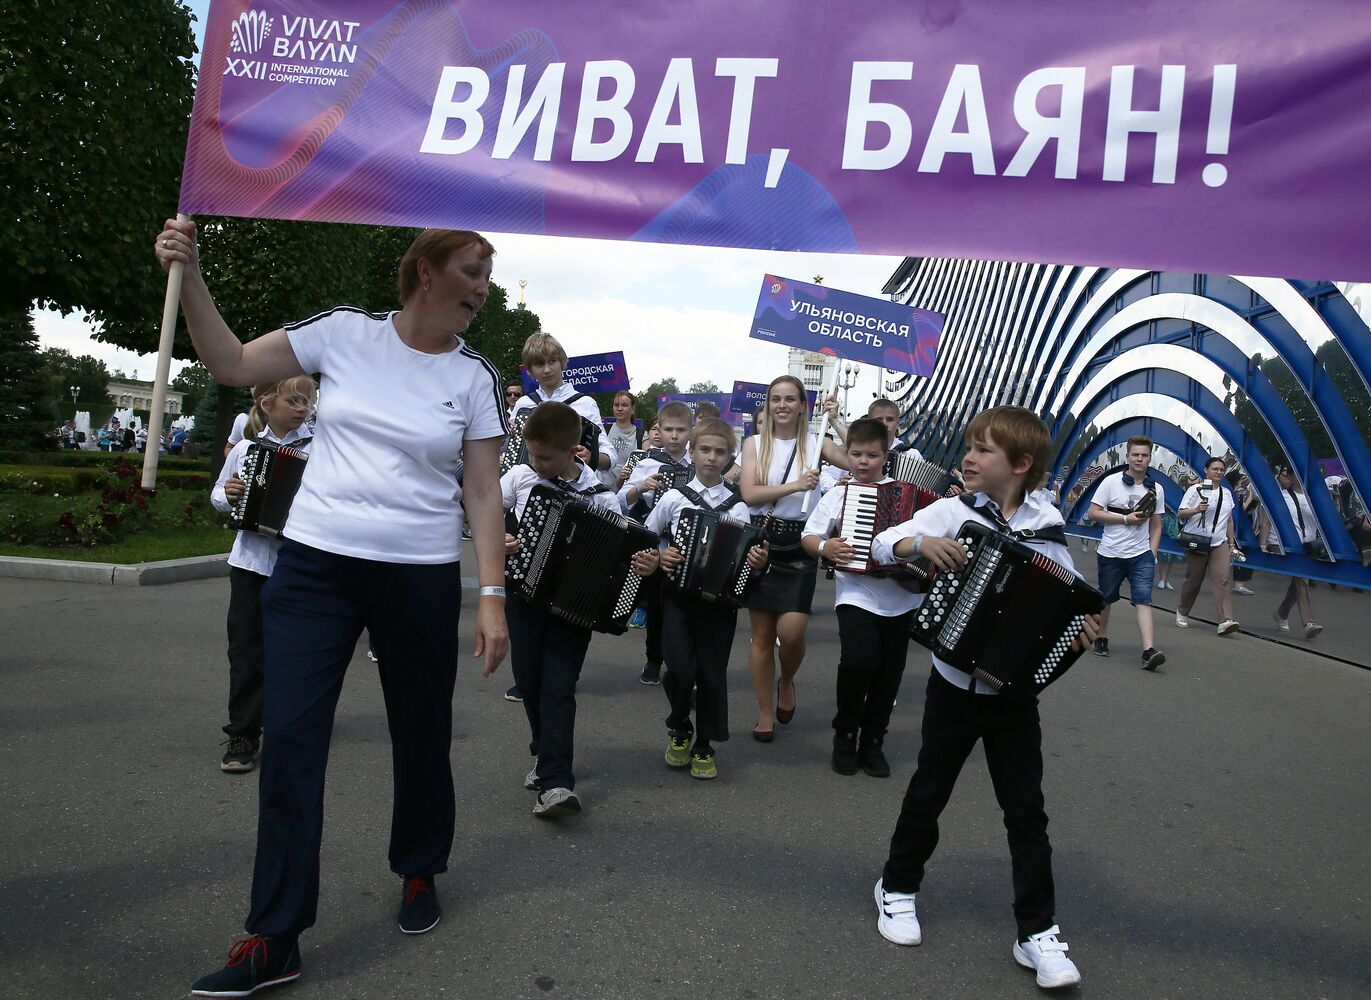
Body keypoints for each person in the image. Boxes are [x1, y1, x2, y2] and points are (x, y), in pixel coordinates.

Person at [157, 220, 510, 996]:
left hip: (416, 575)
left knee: (421, 733)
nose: (482, 289)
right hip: (314, 568)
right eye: (472, 271)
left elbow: (482, 492)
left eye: (486, 275)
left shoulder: (474, 377)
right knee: (288, 740)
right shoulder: (342, 333)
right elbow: (228, 362)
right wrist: (193, 276)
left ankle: (419, 867)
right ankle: (274, 934)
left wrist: (491, 596)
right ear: (424, 272)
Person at [870, 406, 1099, 991]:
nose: (968, 458)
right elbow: (883, 544)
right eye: (969, 447)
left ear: (1020, 465)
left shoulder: (1049, 531)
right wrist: (918, 543)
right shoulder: (952, 510)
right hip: (952, 681)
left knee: (1026, 812)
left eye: (982, 450)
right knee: (930, 790)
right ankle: (897, 887)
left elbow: (1065, 608)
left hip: (1012, 695)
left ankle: (1037, 930)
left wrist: (1080, 633)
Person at [501, 402, 658, 817]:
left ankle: (556, 782)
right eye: (532, 455)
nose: (535, 464)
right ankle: (544, 749)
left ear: (573, 451)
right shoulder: (519, 477)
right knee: (529, 681)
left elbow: (626, 553)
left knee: (558, 686)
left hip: (575, 609)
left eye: (545, 458)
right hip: (523, 595)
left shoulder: (602, 496)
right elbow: (480, 508)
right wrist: (500, 536)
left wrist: (644, 563)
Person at [646, 418, 768, 779]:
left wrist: (758, 563)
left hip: (719, 604)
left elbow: (748, 562)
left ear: (730, 456)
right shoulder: (673, 498)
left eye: (719, 452)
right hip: (678, 598)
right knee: (680, 669)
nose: (711, 458)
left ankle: (703, 744)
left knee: (712, 674)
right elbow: (647, 536)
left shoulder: (738, 506)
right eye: (705, 450)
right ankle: (679, 724)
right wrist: (660, 556)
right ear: (693, 452)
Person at [209, 377, 317, 773]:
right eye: (293, 400)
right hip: (250, 563)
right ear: (267, 404)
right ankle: (243, 731)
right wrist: (231, 495)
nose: (302, 407)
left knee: (298, 650)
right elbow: (219, 495)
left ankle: (292, 725)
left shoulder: (320, 450)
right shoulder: (246, 449)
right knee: (246, 650)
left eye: (307, 400)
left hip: (298, 563)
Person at [801, 417, 919, 777]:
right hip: (856, 593)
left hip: (902, 597)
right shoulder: (839, 493)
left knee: (889, 672)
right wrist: (826, 546)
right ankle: (845, 733)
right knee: (858, 662)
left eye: (871, 455)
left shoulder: (910, 493)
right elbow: (809, 537)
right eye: (856, 454)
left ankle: (874, 740)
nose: (863, 462)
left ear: (886, 455)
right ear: (846, 454)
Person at [739, 376, 847, 741]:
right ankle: (765, 712)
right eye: (775, 399)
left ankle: (787, 679)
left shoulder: (818, 445)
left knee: (793, 631)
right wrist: (797, 485)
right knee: (762, 634)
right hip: (762, 540)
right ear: (768, 405)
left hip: (799, 544)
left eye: (790, 399)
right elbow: (750, 494)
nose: (782, 405)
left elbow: (862, 459)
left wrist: (835, 421)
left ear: (803, 405)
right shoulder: (754, 444)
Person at [620, 401, 695, 685]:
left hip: (686, 547)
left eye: (681, 430)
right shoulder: (647, 463)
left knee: (681, 606)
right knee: (655, 603)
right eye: (668, 429)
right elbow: (621, 501)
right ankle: (653, 659)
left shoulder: (697, 462)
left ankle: (680, 660)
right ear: (659, 432)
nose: (674, 435)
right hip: (655, 543)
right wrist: (640, 487)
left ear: (691, 431)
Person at [1087, 437, 1166, 671]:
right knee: (1107, 597)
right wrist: (1124, 518)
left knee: (1143, 599)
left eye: (1144, 455)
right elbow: (1093, 513)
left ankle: (1148, 650)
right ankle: (1101, 637)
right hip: (1111, 551)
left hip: (1141, 554)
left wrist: (1152, 552)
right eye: (1135, 455)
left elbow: (1157, 524)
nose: (1139, 459)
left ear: (1150, 458)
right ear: (1127, 456)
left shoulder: (1156, 489)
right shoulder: (1111, 483)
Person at [510, 332, 611, 472]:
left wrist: (592, 457)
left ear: (561, 362)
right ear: (530, 370)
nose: (547, 370)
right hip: (528, 484)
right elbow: (507, 447)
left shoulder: (585, 403)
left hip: (570, 487)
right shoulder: (523, 404)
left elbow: (609, 455)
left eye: (552, 361)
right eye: (539, 364)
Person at [1173, 458, 1242, 635]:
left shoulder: (1226, 493)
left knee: (1223, 579)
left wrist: (1232, 543)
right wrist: (1196, 510)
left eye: (1221, 470)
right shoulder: (1195, 490)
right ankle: (1182, 611)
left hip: (1219, 542)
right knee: (1194, 579)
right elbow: (1181, 512)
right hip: (1198, 540)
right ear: (1206, 470)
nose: (1218, 472)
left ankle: (1225, 620)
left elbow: (1229, 520)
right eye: (1215, 469)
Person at [1259, 466, 1324, 639]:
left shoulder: (1313, 498)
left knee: (1298, 583)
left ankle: (1281, 613)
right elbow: (1266, 522)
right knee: (1302, 581)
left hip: (1307, 545)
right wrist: (1263, 546)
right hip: (1283, 544)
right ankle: (1308, 622)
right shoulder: (1280, 496)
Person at [603, 389, 643, 488]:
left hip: (627, 493)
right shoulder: (603, 430)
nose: (619, 408)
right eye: (616, 405)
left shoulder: (641, 435)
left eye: (624, 405)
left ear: (632, 409)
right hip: (602, 490)